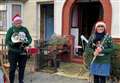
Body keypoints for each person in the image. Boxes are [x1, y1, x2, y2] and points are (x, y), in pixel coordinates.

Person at [5, 14, 32, 83]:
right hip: (13, 52)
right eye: (17, 22)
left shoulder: (24, 29)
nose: (18, 23)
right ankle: (11, 81)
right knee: (12, 69)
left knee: (22, 68)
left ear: (21, 22)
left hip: (22, 51)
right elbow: (7, 40)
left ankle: (21, 81)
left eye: (19, 22)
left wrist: (27, 43)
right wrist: (13, 43)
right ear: (14, 22)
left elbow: (29, 38)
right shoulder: (11, 30)